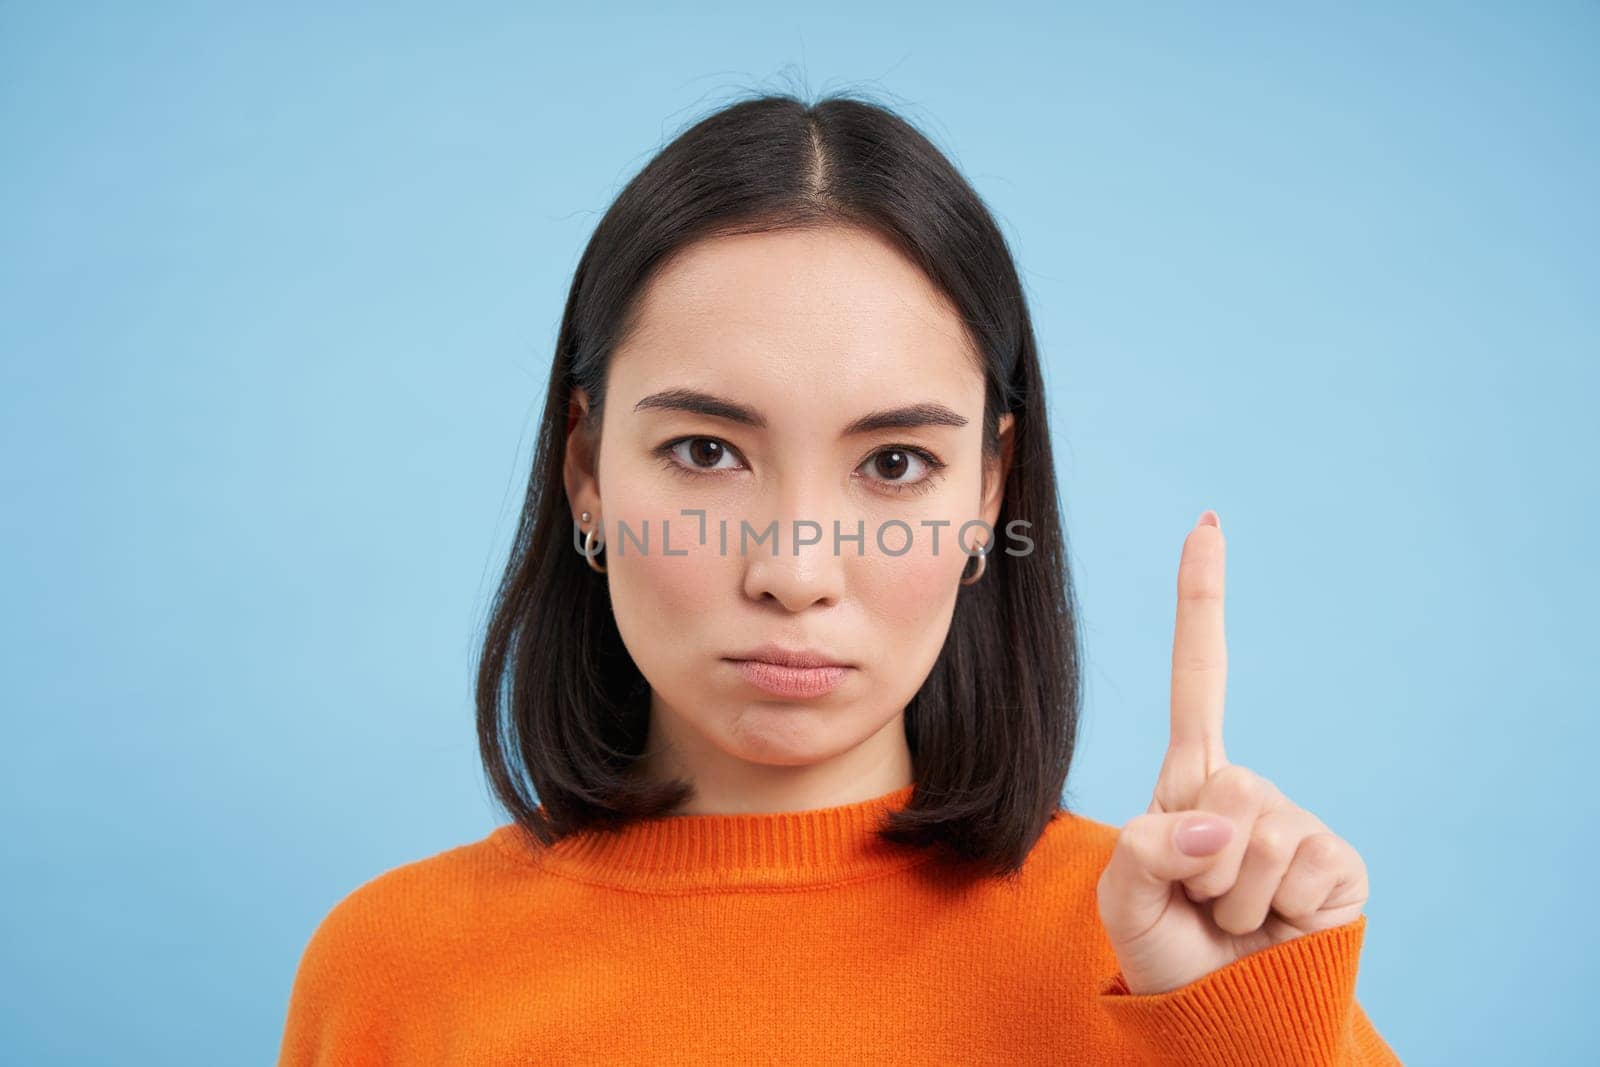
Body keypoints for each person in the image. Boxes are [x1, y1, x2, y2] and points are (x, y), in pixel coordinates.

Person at [276, 92, 1401, 1065]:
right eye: (706, 451)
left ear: (986, 498)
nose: (793, 569)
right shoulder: (396, 970)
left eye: (895, 464)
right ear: (585, 473)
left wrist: (1245, 1032)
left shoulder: (1173, 949)